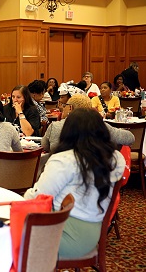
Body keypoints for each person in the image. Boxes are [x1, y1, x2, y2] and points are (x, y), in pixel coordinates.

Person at [25, 108, 125, 258]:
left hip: (63, 233)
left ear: (68, 132)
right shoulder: (116, 158)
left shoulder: (65, 160)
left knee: (8, 234)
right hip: (93, 232)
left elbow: (38, 197)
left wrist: (19, 199)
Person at [42, 94, 134, 153]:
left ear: (70, 107)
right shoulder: (99, 126)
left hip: (59, 176)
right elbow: (130, 138)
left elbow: (44, 147)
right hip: (92, 175)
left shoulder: (54, 126)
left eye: (64, 106)